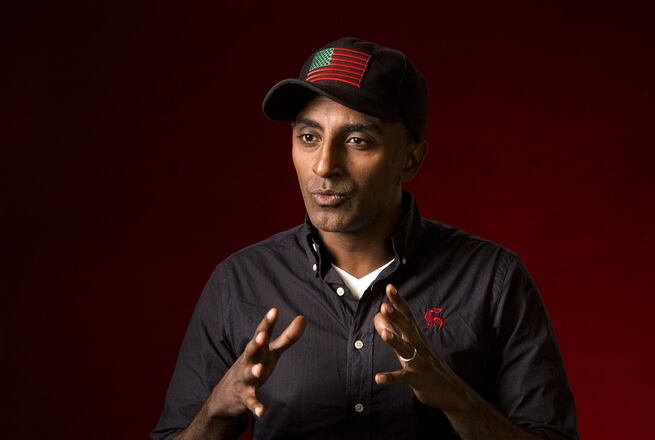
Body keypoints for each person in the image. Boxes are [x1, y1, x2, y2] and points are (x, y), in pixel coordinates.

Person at [152, 37, 579, 440]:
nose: (323, 165)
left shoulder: (493, 281)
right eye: (308, 137)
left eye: (357, 140)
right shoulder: (239, 283)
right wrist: (218, 409)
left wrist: (457, 399)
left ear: (410, 159)